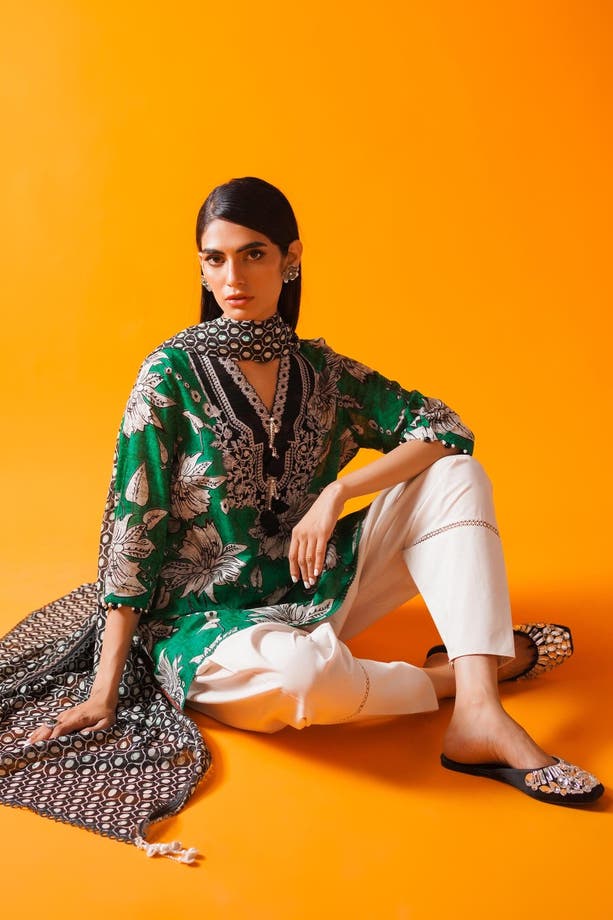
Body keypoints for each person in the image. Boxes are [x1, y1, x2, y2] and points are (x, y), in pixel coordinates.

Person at [6, 177, 602, 860]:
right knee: (298, 682)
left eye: (253, 254)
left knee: (455, 474)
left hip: (315, 587)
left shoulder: (323, 373)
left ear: (290, 259)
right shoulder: (169, 375)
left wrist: (339, 491)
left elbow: (445, 429)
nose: (233, 278)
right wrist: (104, 689)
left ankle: (479, 715)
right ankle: (454, 680)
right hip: (204, 628)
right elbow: (131, 527)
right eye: (215, 259)